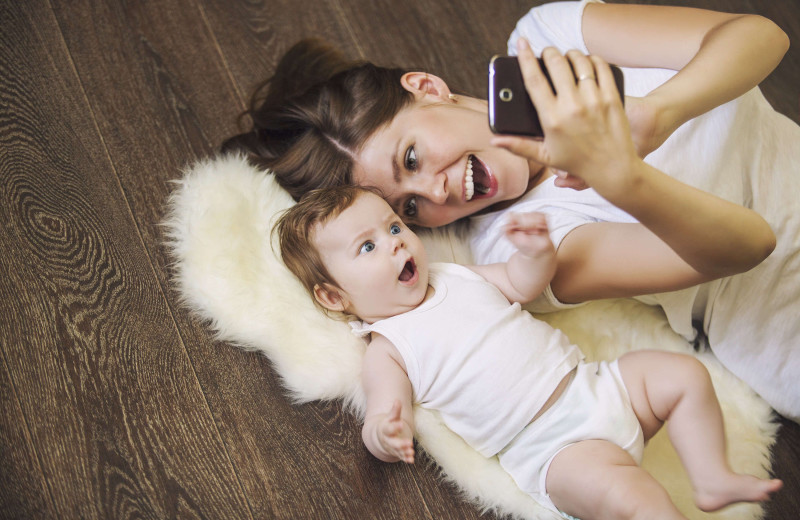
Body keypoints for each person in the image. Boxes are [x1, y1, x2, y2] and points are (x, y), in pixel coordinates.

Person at [222, 1, 800, 420]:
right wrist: (620, 177)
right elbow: (748, 247)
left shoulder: (546, 41)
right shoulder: (522, 246)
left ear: (427, 86)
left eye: (413, 156)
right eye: (411, 207)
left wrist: (656, 114)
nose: (437, 193)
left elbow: (760, 35)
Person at [273, 185, 782, 520]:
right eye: (367, 248)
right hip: (556, 449)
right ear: (335, 297)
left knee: (683, 374)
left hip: (600, 386)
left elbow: (519, 283)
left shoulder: (456, 275)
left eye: (393, 228)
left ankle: (711, 476)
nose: (394, 245)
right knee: (636, 499)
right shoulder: (388, 349)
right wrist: (385, 432)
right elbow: (383, 409)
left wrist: (538, 252)